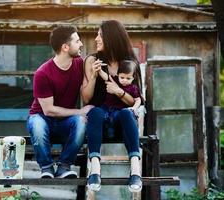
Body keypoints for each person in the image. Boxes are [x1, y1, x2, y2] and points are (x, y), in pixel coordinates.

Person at [81, 20, 143, 192]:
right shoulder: (92, 60)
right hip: (98, 123)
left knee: (126, 113)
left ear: (111, 37)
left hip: (122, 123)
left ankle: (136, 171)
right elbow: (86, 99)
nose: (96, 39)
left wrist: (118, 91)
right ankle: (95, 170)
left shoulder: (129, 63)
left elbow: (136, 101)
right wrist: (93, 77)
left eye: (100, 35)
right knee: (95, 112)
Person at [27, 25, 93, 179]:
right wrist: (80, 111)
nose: (81, 44)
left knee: (81, 121)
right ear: (65, 47)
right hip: (43, 118)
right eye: (77, 41)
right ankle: (47, 168)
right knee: (36, 124)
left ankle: (64, 167)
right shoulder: (43, 73)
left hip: (66, 122)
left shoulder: (80, 65)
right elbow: (48, 110)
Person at [98, 60, 142, 138]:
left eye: (128, 78)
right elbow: (106, 77)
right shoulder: (115, 80)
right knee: (99, 114)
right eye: (122, 77)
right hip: (106, 106)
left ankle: (111, 133)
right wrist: (99, 70)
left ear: (133, 78)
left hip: (119, 109)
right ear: (118, 75)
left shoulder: (133, 88)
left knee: (114, 119)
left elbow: (138, 99)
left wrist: (134, 108)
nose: (124, 80)